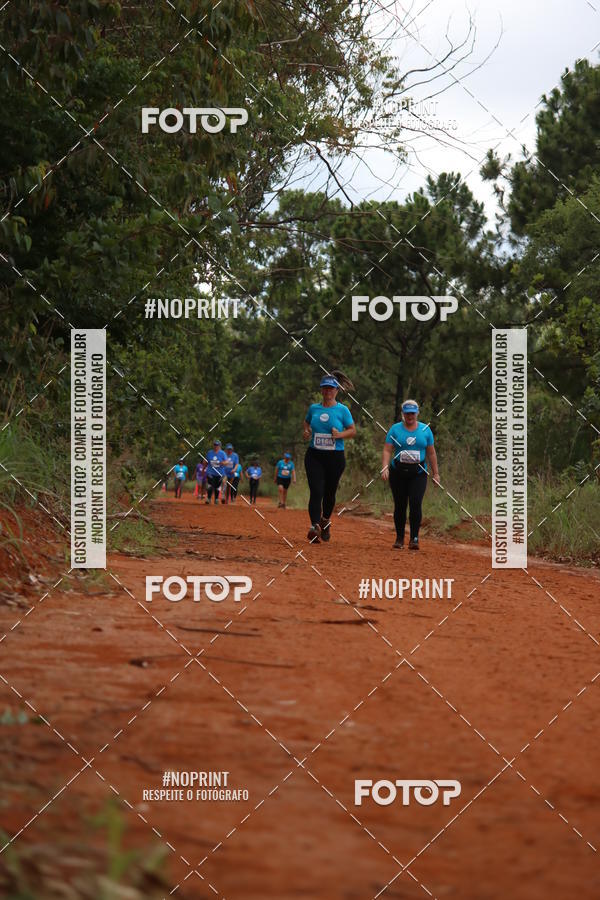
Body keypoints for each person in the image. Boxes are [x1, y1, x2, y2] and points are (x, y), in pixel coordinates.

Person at [303, 372, 356, 543]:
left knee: (329, 493)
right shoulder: (314, 409)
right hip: (314, 455)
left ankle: (325, 520)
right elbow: (307, 423)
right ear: (321, 390)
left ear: (337, 390)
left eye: (331, 389)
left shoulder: (342, 410)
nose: (328, 392)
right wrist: (306, 431)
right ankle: (314, 526)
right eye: (325, 388)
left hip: (335, 457)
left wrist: (340, 435)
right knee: (316, 491)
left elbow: (352, 430)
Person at [381, 399, 439, 550]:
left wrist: (436, 473)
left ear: (417, 413)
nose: (410, 416)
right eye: (407, 413)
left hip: (418, 473)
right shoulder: (395, 429)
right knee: (400, 505)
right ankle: (399, 538)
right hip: (398, 473)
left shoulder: (425, 430)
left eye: (413, 413)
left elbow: (431, 453)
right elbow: (387, 449)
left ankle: (414, 538)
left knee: (415, 503)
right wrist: (384, 467)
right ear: (403, 414)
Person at [205, 440, 227, 505]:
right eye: (215, 445)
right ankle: (208, 499)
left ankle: (216, 499)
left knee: (217, 486)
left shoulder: (222, 453)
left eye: (217, 445)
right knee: (210, 485)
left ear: (220, 446)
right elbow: (206, 461)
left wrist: (222, 462)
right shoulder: (209, 453)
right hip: (210, 472)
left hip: (219, 473)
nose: (216, 446)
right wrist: (204, 463)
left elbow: (226, 462)